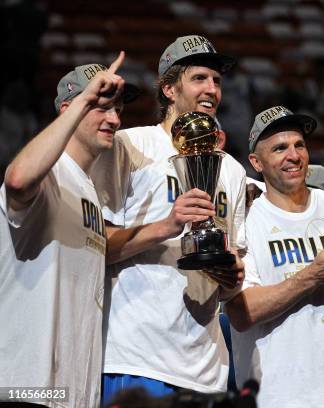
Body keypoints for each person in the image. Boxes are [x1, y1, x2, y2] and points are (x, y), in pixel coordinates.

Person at [92, 35, 247, 403]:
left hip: (207, 367)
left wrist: (234, 277)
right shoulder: (131, 147)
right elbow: (97, 247)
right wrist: (168, 225)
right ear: (169, 89)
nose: (212, 89)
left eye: (217, 81)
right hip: (137, 357)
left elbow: (232, 262)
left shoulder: (233, 170)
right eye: (199, 78)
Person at [0, 53, 137, 407]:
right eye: (100, 106)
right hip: (27, 386)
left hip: (71, 392)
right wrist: (84, 99)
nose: (114, 118)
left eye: (117, 109)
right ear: (68, 109)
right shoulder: (50, 171)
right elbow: (16, 181)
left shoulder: (89, 189)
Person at [225, 106, 324, 407]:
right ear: (256, 162)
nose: (294, 155)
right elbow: (241, 313)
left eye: (299, 145)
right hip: (278, 395)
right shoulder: (246, 219)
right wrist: (312, 275)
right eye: (280, 148)